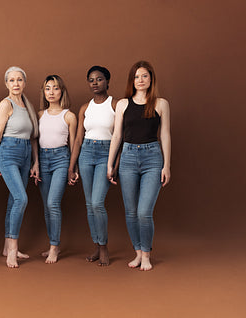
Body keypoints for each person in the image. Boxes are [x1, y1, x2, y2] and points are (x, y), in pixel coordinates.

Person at [107, 61, 171, 271]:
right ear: (132, 80)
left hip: (152, 157)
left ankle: (146, 254)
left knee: (144, 211)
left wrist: (166, 165)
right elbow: (117, 135)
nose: (140, 80)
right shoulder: (124, 104)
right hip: (128, 157)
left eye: (144, 76)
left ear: (151, 79)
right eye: (136, 76)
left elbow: (165, 134)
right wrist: (110, 163)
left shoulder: (161, 103)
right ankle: (137, 252)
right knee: (131, 211)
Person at [0, 66, 40, 268]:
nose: (16, 84)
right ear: (6, 83)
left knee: (13, 200)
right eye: (12, 80)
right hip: (8, 153)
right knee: (21, 198)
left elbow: (33, 137)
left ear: (24, 83)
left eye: (19, 80)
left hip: (25, 153)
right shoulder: (5, 105)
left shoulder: (28, 106)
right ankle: (13, 249)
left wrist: (36, 162)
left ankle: (6, 245)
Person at [69, 66, 117, 266]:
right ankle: (96, 246)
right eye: (91, 80)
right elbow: (79, 139)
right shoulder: (84, 108)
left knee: (97, 202)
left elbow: (120, 137)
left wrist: (115, 162)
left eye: (99, 79)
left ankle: (104, 246)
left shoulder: (116, 104)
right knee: (90, 205)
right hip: (86, 153)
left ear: (107, 81)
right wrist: (72, 167)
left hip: (107, 153)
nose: (95, 83)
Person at [37, 75, 77, 264]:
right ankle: (53, 244)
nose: (51, 92)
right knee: (47, 206)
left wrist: (72, 168)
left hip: (61, 159)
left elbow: (73, 144)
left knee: (53, 202)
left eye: (55, 88)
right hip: (43, 160)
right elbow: (34, 142)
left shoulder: (69, 115)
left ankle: (54, 245)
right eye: (48, 88)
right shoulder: (39, 115)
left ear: (62, 91)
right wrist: (35, 164)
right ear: (44, 92)